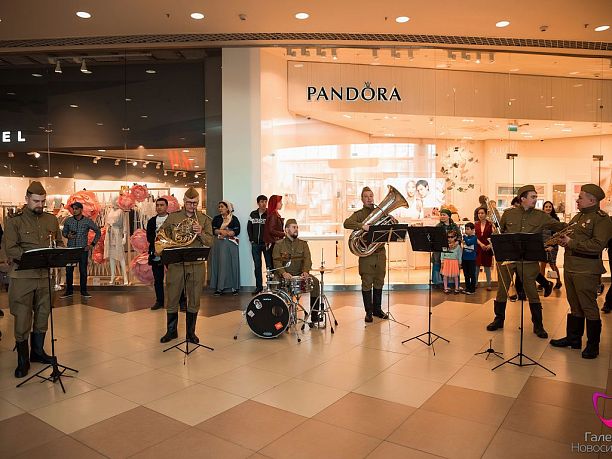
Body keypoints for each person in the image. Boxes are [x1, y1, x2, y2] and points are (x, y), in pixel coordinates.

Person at [486, 185, 566, 338]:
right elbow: (499, 232)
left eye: (536, 197)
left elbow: (560, 226)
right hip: (508, 258)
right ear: (523, 198)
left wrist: (561, 237)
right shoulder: (508, 214)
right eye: (533, 197)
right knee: (502, 289)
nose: (536, 199)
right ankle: (498, 319)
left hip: (528, 260)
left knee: (531, 291)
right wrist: (494, 236)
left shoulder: (541, 216)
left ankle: (538, 325)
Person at [5, 181, 64, 378]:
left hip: (44, 275)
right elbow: (11, 248)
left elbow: (58, 242)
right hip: (23, 276)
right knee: (22, 316)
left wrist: (60, 251)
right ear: (27, 199)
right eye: (36, 201)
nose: (40, 205)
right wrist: (32, 258)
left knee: (43, 313)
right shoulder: (14, 221)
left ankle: (37, 352)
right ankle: (23, 360)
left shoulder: (51, 220)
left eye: (42, 201)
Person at [550, 184, 612, 359]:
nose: (577, 200)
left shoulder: (602, 220)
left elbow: (597, 245)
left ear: (592, 200)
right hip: (570, 267)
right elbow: (571, 237)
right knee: (574, 305)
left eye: (580, 197)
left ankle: (593, 345)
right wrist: (562, 240)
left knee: (588, 306)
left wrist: (571, 242)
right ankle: (574, 339)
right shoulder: (578, 217)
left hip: (586, 269)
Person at [159, 187, 213, 344]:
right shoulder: (173, 217)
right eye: (189, 203)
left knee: (194, 298)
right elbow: (162, 235)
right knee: (172, 296)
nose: (192, 206)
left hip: (196, 264)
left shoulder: (204, 219)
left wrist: (200, 233)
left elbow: (210, 242)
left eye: (195, 203)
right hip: (176, 263)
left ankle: (191, 333)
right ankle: (171, 331)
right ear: (183, 201)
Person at [343, 187, 389, 322]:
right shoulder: (359, 214)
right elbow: (346, 223)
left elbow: (390, 228)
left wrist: (391, 219)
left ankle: (377, 310)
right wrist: (362, 226)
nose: (369, 199)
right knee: (367, 282)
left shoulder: (381, 213)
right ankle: (368, 312)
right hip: (367, 255)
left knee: (380, 281)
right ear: (362, 199)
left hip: (380, 253)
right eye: (366, 196)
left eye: (371, 196)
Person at [273, 219, 321, 325]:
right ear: (286, 230)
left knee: (315, 282)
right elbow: (276, 262)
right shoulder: (279, 244)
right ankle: (277, 316)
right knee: (275, 282)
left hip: (300, 274)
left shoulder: (303, 244)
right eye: (293, 227)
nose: (296, 229)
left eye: (297, 227)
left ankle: (314, 315)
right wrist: (283, 273)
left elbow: (307, 259)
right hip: (284, 275)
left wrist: (305, 271)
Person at [60, 202, 101, 299]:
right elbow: (64, 232)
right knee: (69, 270)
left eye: (76, 209)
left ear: (81, 210)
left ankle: (84, 291)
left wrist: (92, 245)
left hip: (82, 250)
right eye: (73, 209)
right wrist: (68, 235)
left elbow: (98, 231)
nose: (74, 210)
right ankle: (69, 291)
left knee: (83, 271)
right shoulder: (68, 221)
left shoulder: (87, 221)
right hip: (71, 249)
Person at [210, 200, 241, 296]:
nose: (220, 208)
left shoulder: (234, 219)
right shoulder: (216, 219)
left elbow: (237, 230)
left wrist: (228, 233)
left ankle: (234, 287)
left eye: (222, 207)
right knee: (221, 264)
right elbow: (213, 230)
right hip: (220, 245)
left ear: (227, 208)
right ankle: (219, 288)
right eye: (219, 207)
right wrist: (221, 231)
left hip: (231, 244)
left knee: (233, 264)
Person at [432, 208, 462, 288]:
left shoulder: (454, 226)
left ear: (449, 216)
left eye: (444, 215)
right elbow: (434, 238)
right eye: (441, 215)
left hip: (453, 251)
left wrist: (456, 243)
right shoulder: (438, 226)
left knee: (452, 266)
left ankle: (453, 284)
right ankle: (440, 284)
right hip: (440, 250)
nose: (442, 216)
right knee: (438, 264)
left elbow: (459, 236)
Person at [248, 195, 271, 294]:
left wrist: (269, 241)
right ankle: (259, 287)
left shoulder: (269, 214)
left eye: (265, 201)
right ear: (258, 203)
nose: (264, 204)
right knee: (257, 266)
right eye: (262, 201)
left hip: (266, 244)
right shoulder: (253, 214)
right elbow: (249, 228)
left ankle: (270, 287)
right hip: (255, 245)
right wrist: (251, 240)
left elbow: (271, 229)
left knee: (269, 266)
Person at [539, 201, 562, 289]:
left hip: (552, 246)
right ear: (543, 208)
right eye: (546, 207)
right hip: (543, 245)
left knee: (552, 264)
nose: (548, 208)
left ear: (552, 208)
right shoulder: (540, 219)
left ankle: (558, 282)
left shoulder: (555, 219)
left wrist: (552, 246)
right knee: (542, 265)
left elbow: (558, 234)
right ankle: (542, 283)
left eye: (550, 207)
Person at [475, 207, 493, 290]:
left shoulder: (490, 224)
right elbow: (474, 236)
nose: (480, 215)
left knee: (487, 267)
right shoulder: (476, 224)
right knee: (477, 266)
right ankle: (475, 283)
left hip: (487, 248)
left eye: (482, 213)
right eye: (479, 213)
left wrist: (490, 245)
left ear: (486, 214)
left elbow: (493, 236)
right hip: (478, 247)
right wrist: (480, 244)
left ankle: (489, 284)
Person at [462, 223, 477, 294]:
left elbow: (468, 243)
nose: (466, 230)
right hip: (465, 258)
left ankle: (472, 289)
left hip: (471, 259)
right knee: (466, 274)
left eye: (468, 229)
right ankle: (467, 288)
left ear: (473, 230)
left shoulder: (474, 237)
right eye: (465, 229)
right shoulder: (466, 237)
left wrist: (464, 237)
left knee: (472, 274)